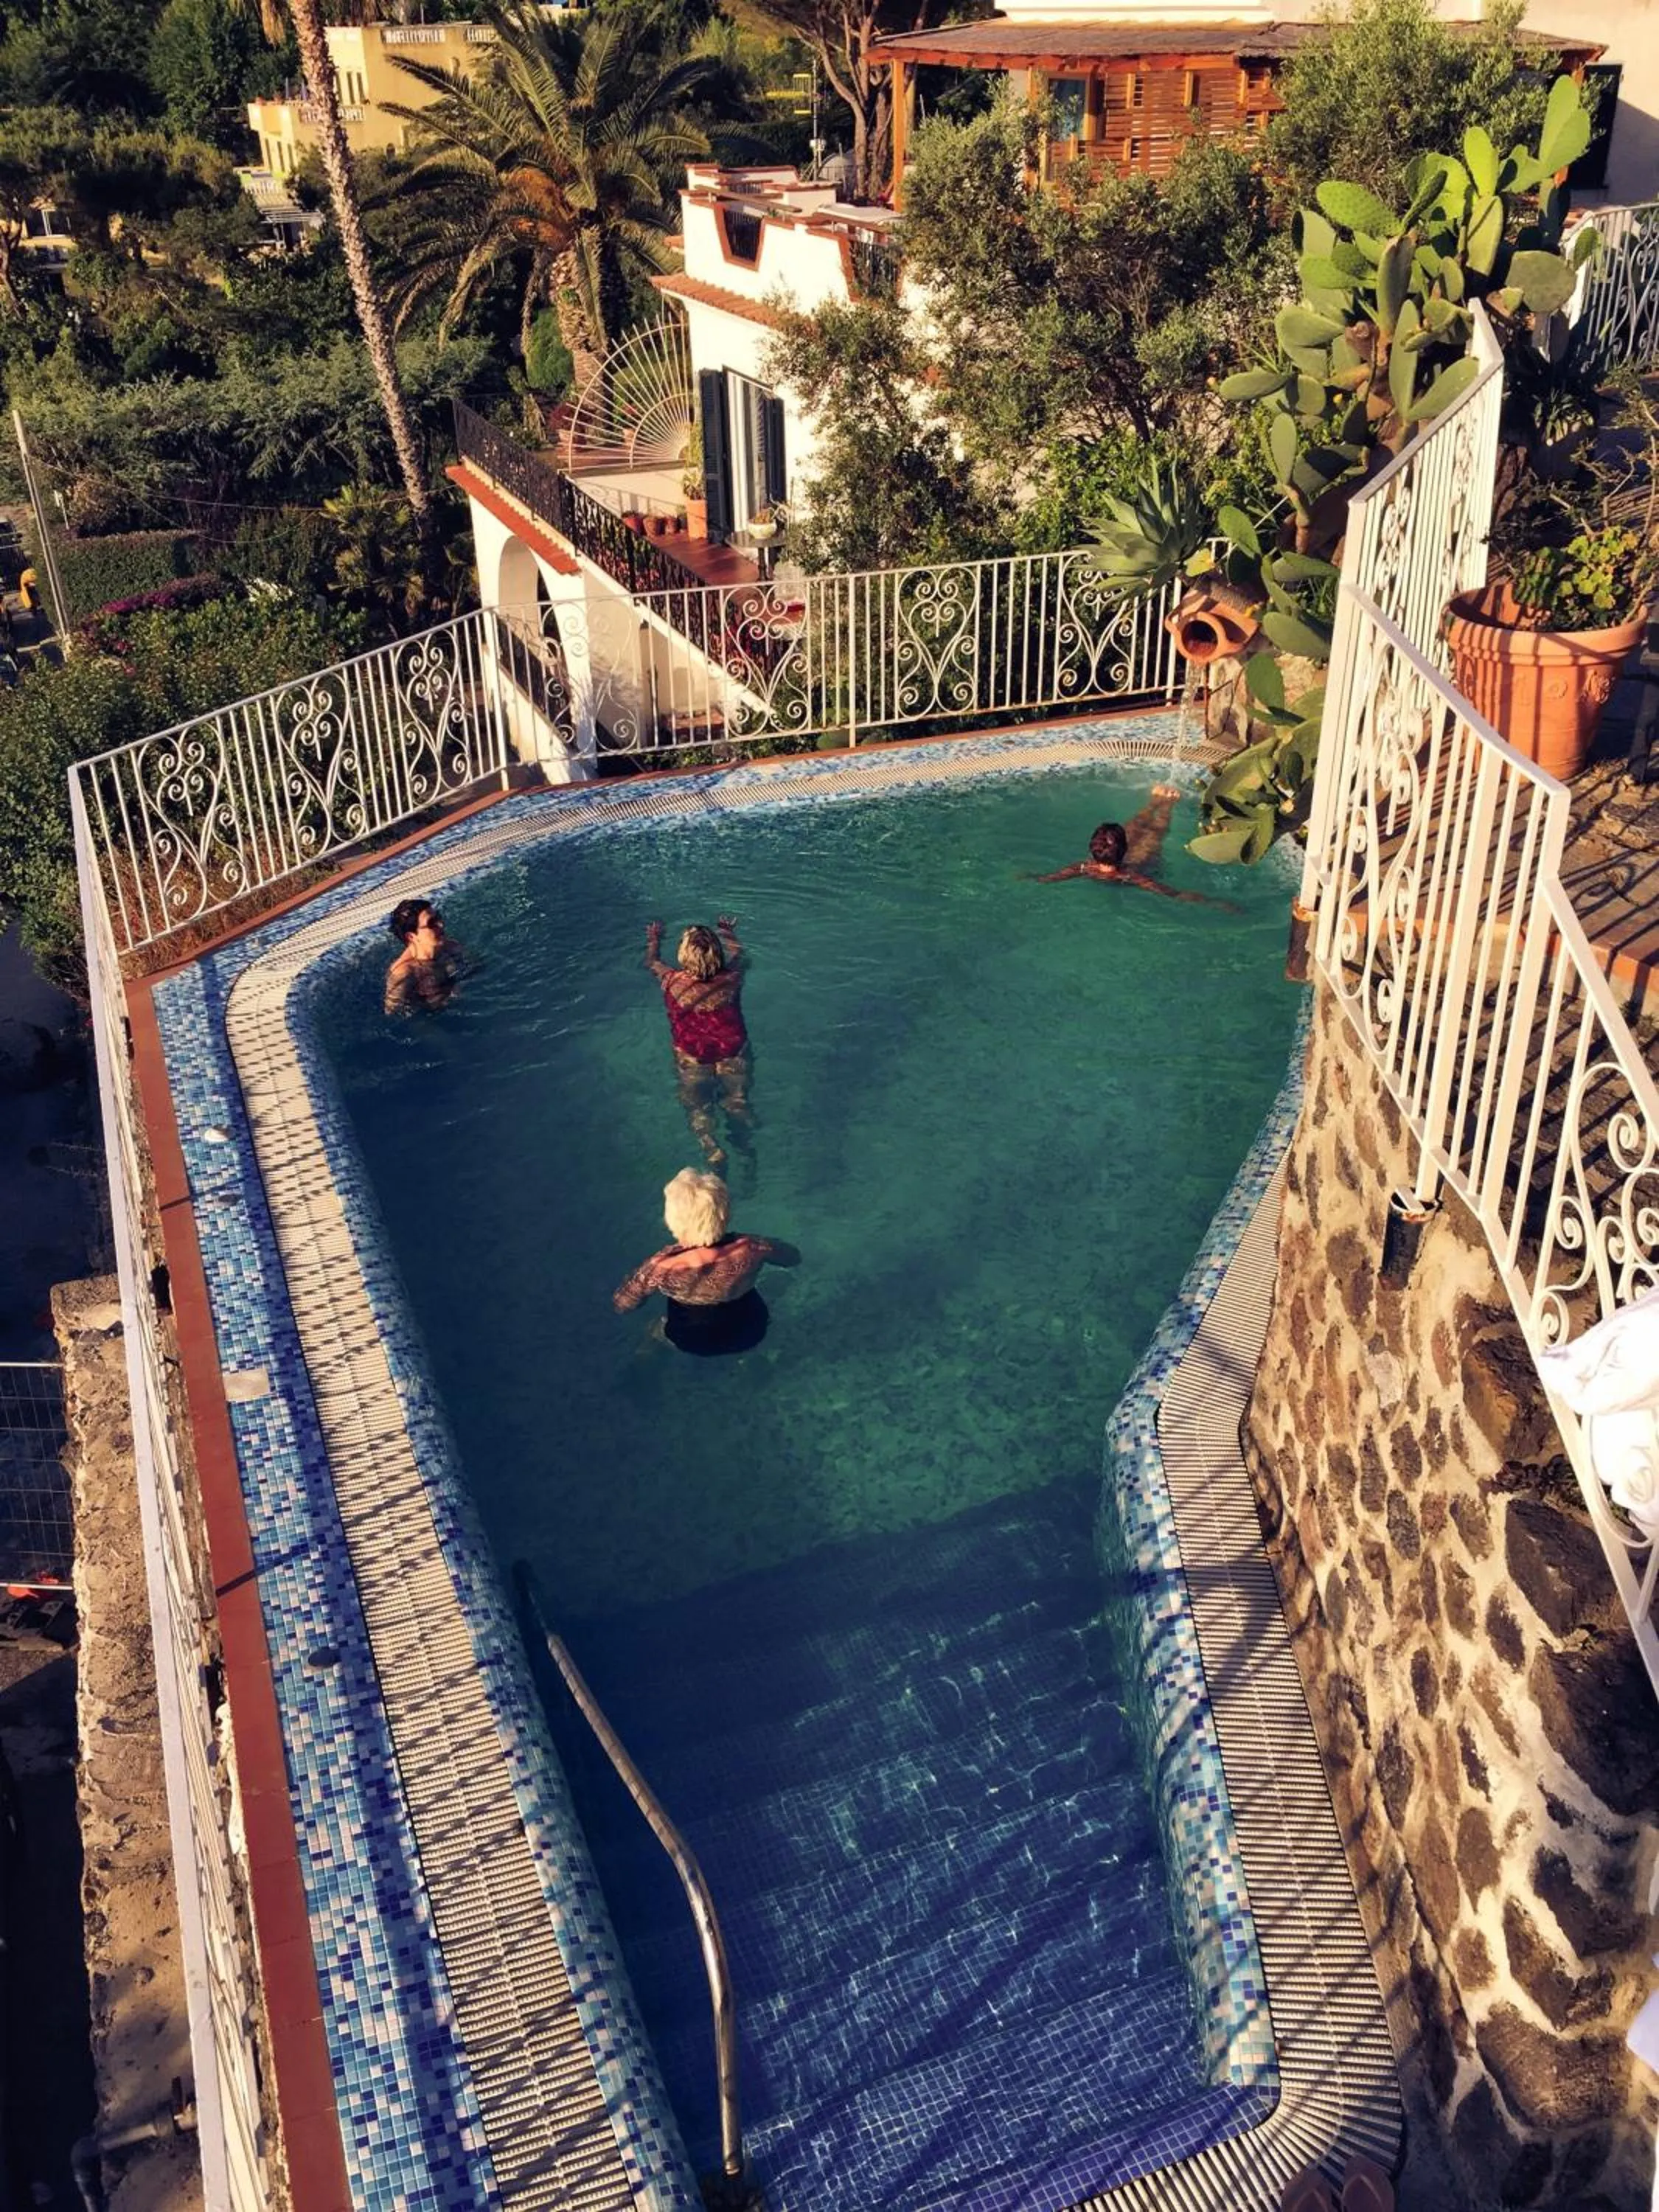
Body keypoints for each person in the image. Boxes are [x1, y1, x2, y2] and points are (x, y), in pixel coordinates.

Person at [613, 1168, 799, 1355]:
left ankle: (649, 1344)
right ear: (726, 1215)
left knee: (654, 1326)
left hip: (693, 1342)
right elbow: (792, 1258)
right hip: (752, 1332)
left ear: (671, 1221)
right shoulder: (752, 1248)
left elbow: (624, 1304)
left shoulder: (661, 1267)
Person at [645, 914, 753, 1169]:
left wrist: (654, 938)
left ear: (683, 955)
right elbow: (741, 955)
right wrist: (727, 932)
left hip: (692, 1057)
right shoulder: (732, 978)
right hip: (732, 1053)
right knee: (737, 1102)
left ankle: (711, 1148)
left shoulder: (671, 981)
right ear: (716, 955)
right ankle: (746, 1150)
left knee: (698, 1109)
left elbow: (651, 962)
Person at [1028, 783, 1226, 905]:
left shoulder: (1084, 868)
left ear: (1092, 851)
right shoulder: (1129, 876)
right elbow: (1172, 893)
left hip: (1123, 859)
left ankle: (1156, 802)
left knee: (1141, 830)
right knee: (1152, 834)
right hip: (1140, 861)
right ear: (1125, 848)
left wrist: (1032, 878)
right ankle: (1166, 804)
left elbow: (1052, 878)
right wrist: (1212, 901)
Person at [385, 897, 464, 1015]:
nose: (441, 925)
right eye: (432, 923)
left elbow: (474, 969)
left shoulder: (451, 947)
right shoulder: (402, 972)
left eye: (438, 917)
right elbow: (393, 1013)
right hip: (427, 1018)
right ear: (411, 937)